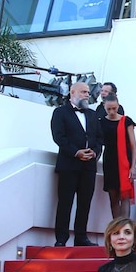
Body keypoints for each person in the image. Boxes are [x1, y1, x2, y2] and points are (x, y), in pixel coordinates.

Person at [51, 81, 103, 247]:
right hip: (69, 165)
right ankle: (61, 239)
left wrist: (94, 152)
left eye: (88, 92)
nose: (87, 95)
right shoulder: (60, 112)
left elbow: (99, 138)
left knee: (84, 202)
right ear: (72, 92)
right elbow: (59, 137)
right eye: (83, 92)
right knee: (65, 202)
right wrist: (76, 152)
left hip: (89, 166)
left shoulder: (93, 115)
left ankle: (81, 237)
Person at [99, 95, 136, 219]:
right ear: (104, 106)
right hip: (110, 162)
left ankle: (125, 227)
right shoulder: (101, 122)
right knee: (113, 197)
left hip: (125, 162)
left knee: (124, 196)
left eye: (114, 108)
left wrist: (133, 167)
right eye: (108, 109)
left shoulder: (126, 121)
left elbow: (133, 146)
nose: (111, 112)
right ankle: (116, 228)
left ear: (118, 106)